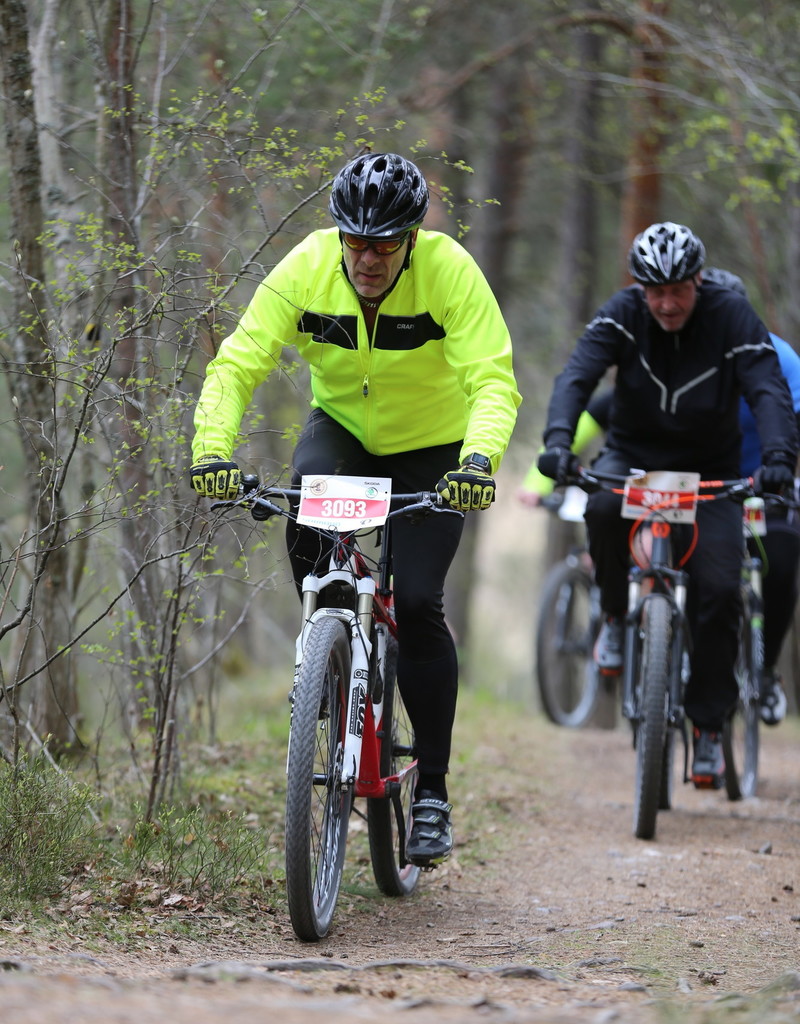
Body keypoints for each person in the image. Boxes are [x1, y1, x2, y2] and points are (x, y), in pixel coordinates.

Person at [190, 151, 522, 866]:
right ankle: (327, 653)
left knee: (425, 601)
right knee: (309, 542)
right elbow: (240, 360)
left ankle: (430, 789)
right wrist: (213, 450)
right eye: (355, 241)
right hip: (341, 433)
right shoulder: (307, 267)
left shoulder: (449, 273)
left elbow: (493, 380)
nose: (367, 258)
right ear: (338, 234)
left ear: (410, 238)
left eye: (384, 244)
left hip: (435, 449)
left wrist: (476, 463)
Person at [537, 221, 798, 789]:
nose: (666, 302)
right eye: (654, 291)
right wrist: (558, 440)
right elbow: (578, 375)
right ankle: (612, 614)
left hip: (711, 469)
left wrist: (779, 457)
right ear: (639, 288)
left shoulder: (730, 315)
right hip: (632, 455)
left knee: (722, 588)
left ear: (698, 281)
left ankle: (707, 728)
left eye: (678, 289)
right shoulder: (623, 313)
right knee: (601, 510)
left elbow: (767, 387)